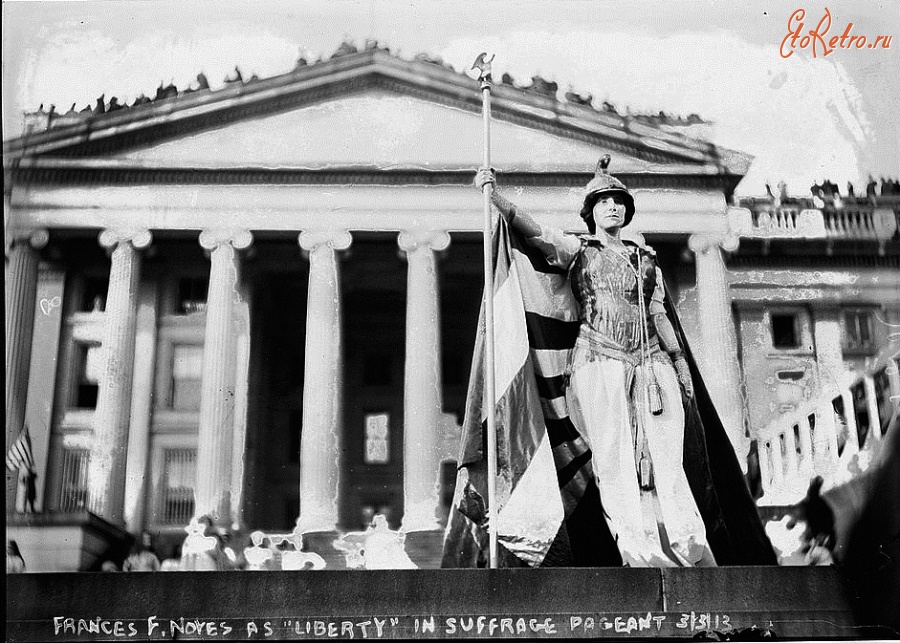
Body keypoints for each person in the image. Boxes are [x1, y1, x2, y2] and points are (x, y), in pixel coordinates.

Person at [472, 158, 749, 567]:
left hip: (653, 367)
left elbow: (658, 316)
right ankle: (638, 551)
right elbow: (536, 233)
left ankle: (689, 547)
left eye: (619, 202)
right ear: (591, 212)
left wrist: (680, 362)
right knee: (615, 460)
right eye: (603, 203)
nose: (613, 208)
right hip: (598, 362)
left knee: (668, 461)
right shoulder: (578, 250)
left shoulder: (645, 259)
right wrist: (498, 199)